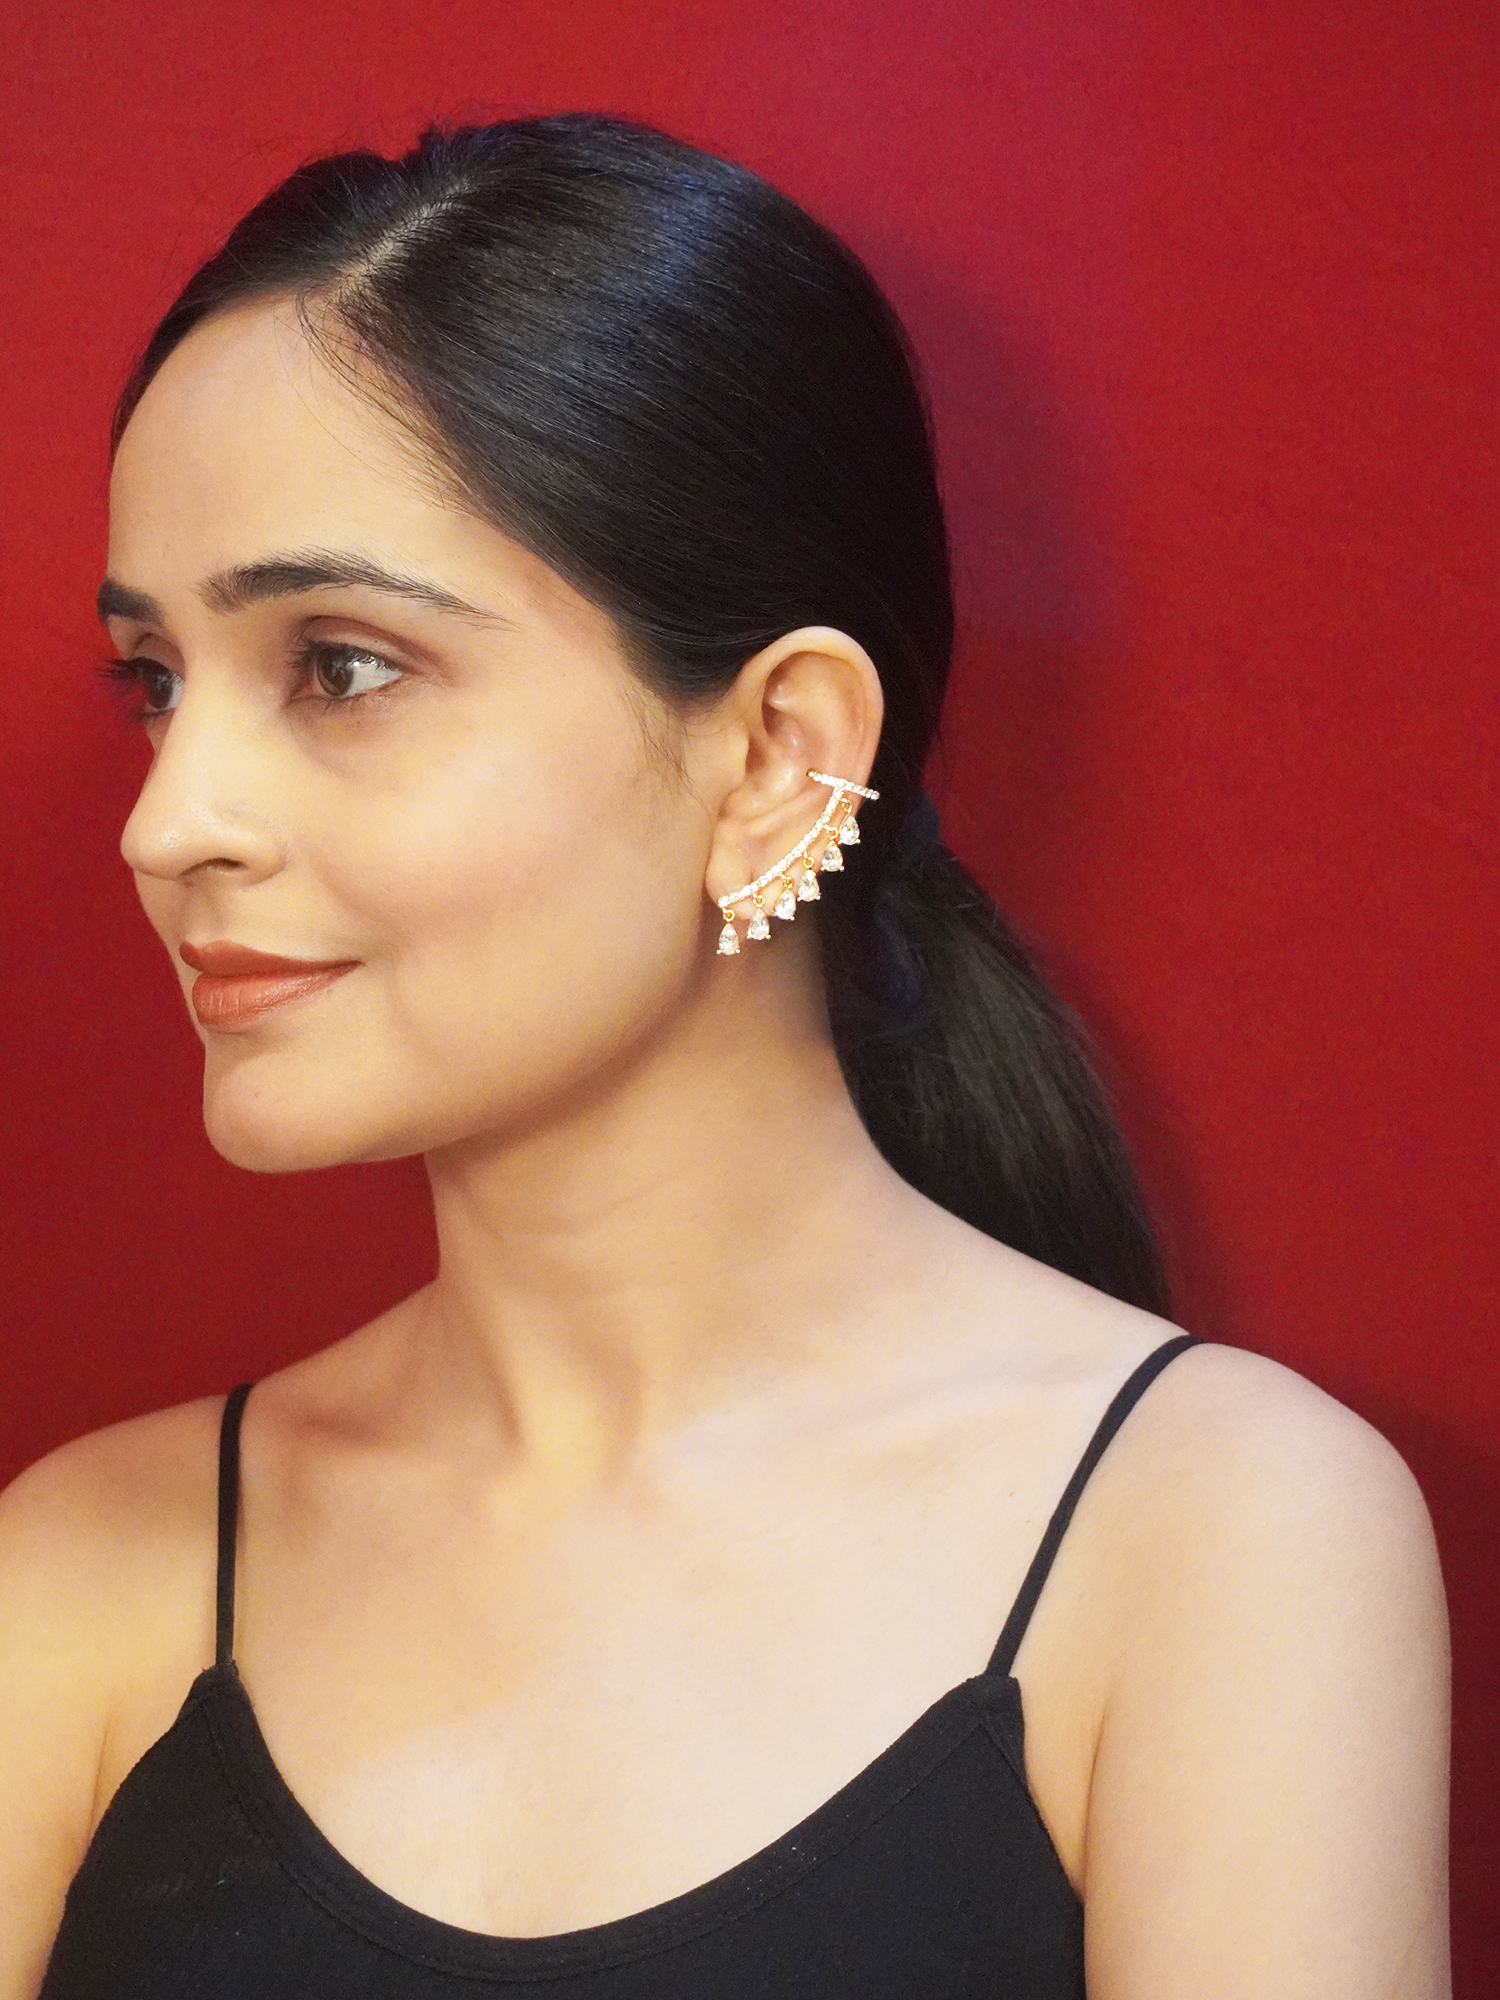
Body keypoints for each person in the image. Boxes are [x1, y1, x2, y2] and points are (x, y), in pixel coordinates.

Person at [0, 115, 1449, 1997]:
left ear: (776, 757)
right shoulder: (85, 1573)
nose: (169, 820)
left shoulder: (1215, 1536)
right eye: (155, 681)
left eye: (341, 666)